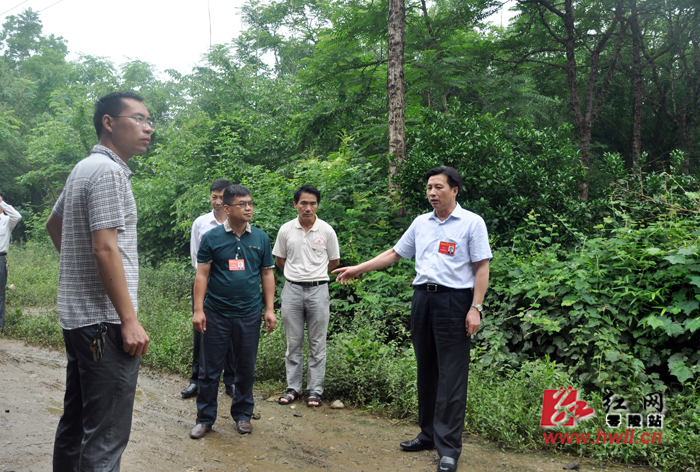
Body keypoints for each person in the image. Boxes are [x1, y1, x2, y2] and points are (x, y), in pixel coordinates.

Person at [333, 166, 491, 472]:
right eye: (429, 187)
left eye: (438, 187)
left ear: (454, 190)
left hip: (454, 302)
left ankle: (448, 448)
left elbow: (482, 267)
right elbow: (395, 253)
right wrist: (357, 269)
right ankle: (428, 434)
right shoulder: (421, 223)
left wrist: (476, 307)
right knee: (426, 370)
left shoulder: (472, 223)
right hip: (423, 300)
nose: (432, 193)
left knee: (451, 375)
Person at [45, 91, 152, 471]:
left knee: (76, 423)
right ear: (109, 122)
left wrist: (79, 272)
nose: (148, 128)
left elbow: (53, 224)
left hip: (79, 320)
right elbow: (105, 248)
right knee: (105, 436)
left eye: (149, 121)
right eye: (138, 118)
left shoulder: (83, 168)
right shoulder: (108, 172)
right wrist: (129, 319)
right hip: (105, 324)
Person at [189, 184, 276, 439]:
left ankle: (243, 415)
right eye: (242, 204)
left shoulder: (260, 238)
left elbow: (267, 274)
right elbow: (202, 275)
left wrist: (270, 309)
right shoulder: (212, 238)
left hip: (249, 313)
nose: (248, 208)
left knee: (245, 367)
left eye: (250, 203)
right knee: (209, 369)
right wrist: (198, 310)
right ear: (227, 209)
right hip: (216, 313)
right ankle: (205, 419)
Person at [273, 185, 340, 407]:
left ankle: (315, 390)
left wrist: (314, 275)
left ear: (317, 205)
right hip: (292, 289)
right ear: (295, 205)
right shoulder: (286, 230)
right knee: (293, 342)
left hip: (318, 290)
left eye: (313, 203)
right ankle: (293, 388)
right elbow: (280, 260)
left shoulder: (327, 231)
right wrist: (297, 275)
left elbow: (334, 261)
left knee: (317, 343)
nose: (308, 208)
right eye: (303, 203)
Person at [181, 179, 236, 400]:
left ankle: (231, 382)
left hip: (230, 286)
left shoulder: (237, 222)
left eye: (222, 197)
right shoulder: (201, 223)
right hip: (205, 284)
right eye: (214, 197)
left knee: (231, 335)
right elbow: (196, 257)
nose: (218, 201)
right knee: (201, 332)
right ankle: (196, 380)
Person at [0, 193, 22, 331]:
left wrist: (1, 203)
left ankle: (0, 324)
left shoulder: (7, 220)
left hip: (0, 259)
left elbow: (17, 216)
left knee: (0, 293)